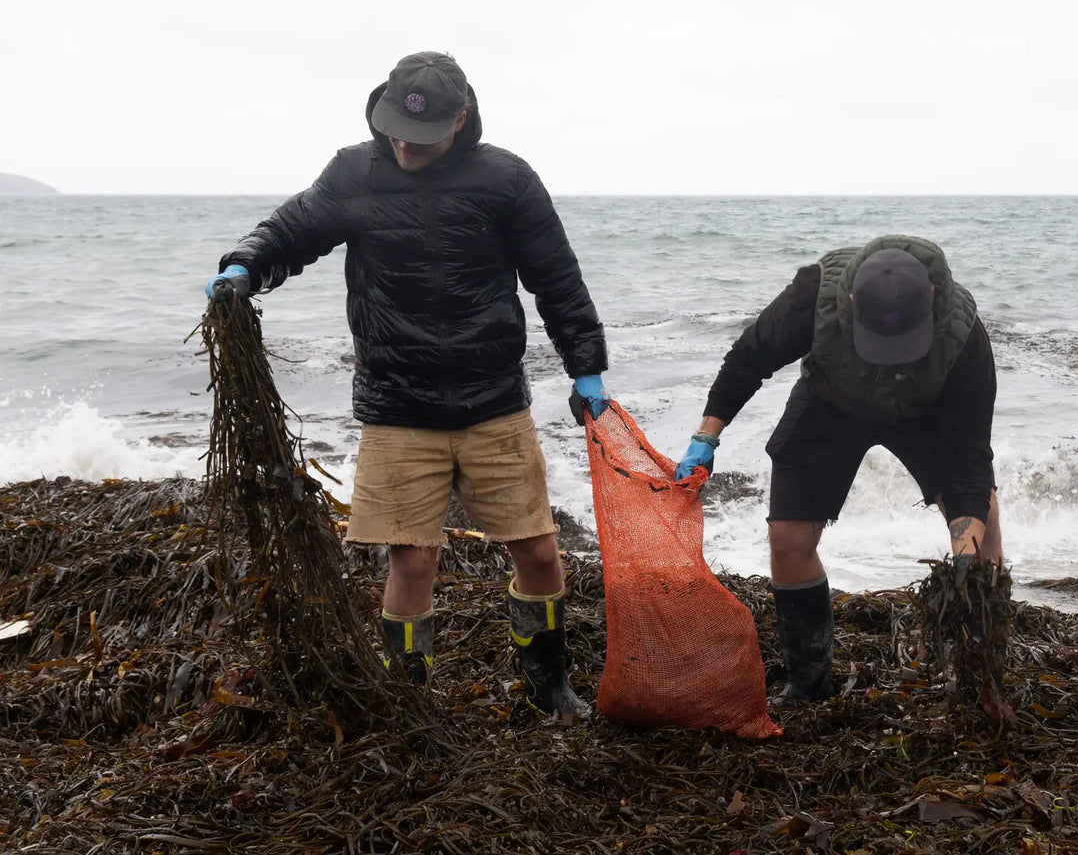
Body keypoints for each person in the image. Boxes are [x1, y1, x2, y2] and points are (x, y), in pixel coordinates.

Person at [206, 51, 607, 717]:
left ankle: (547, 684)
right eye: (394, 127)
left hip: (494, 404)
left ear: (461, 118)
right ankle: (408, 694)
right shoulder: (354, 172)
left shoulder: (506, 179)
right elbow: (293, 227)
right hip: (397, 407)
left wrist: (585, 365)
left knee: (537, 551)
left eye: (419, 135)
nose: (403, 144)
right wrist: (244, 263)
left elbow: (557, 280)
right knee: (412, 564)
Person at [673, 235, 1001, 703]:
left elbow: (970, 459)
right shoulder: (814, 295)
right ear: (849, 302)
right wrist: (706, 437)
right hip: (832, 400)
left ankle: (979, 675)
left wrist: (964, 553)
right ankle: (809, 683)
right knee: (788, 538)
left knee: (980, 531)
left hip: (928, 410)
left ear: (931, 296)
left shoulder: (963, 337)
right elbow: (750, 357)